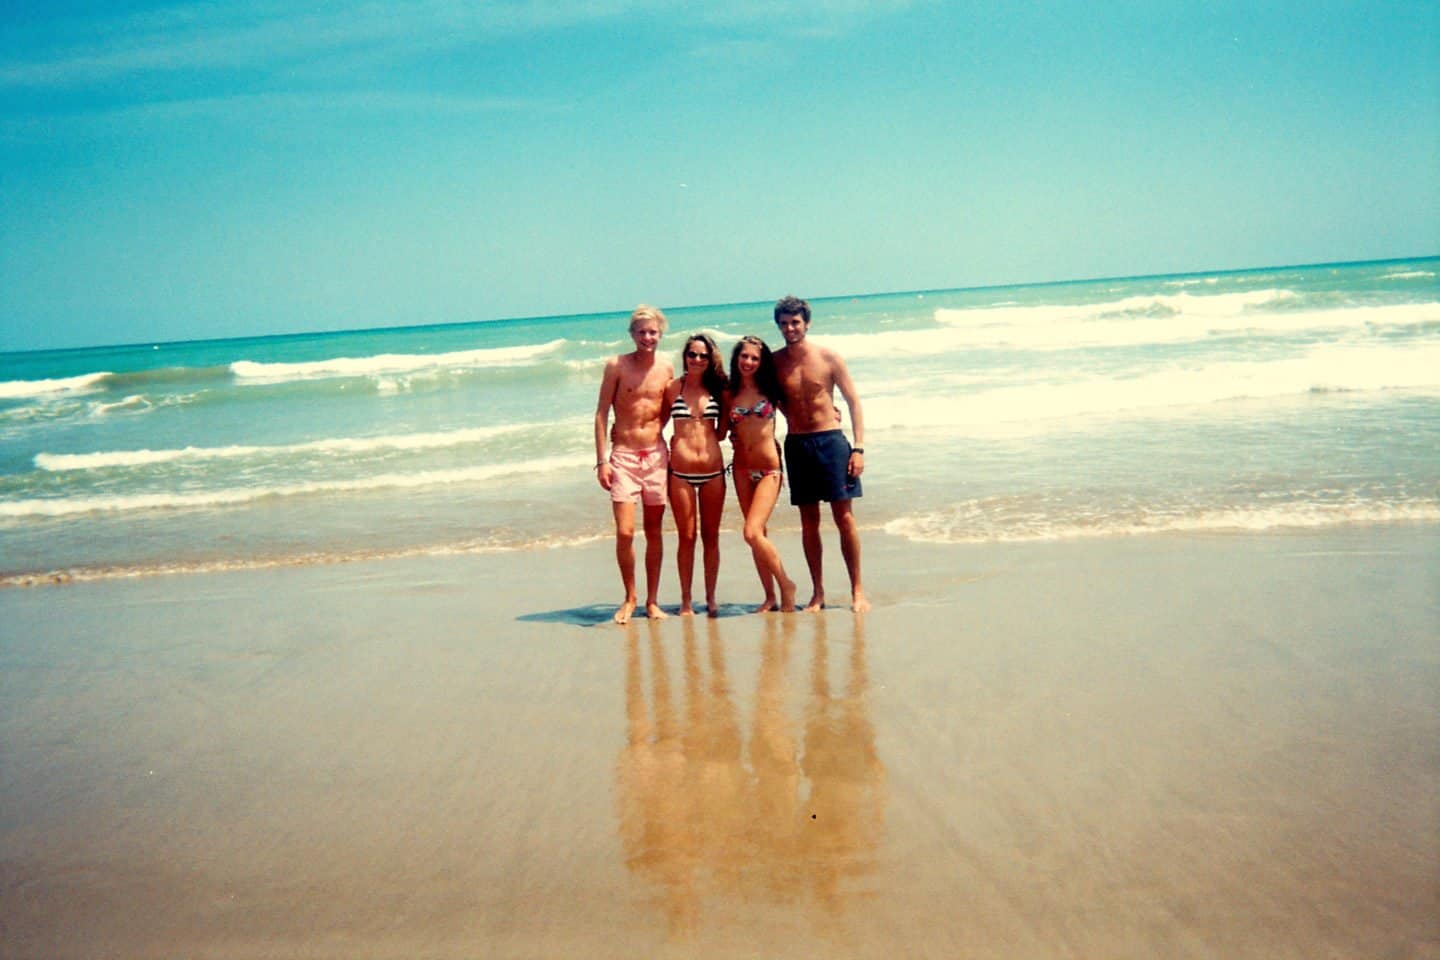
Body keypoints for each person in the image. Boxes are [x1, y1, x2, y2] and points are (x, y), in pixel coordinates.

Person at [771, 295, 869, 613]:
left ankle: (857, 590)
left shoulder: (828, 358)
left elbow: (853, 402)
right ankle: (817, 592)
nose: (790, 328)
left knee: (844, 518)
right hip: (798, 445)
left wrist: (858, 448)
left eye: (795, 322)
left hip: (831, 442)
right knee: (809, 522)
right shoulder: (774, 362)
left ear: (807, 323)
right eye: (784, 323)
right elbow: (761, 403)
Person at [595, 305, 674, 624]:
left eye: (653, 331)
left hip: (655, 455)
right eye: (641, 332)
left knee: (654, 532)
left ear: (660, 333)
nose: (647, 337)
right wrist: (602, 460)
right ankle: (630, 597)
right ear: (632, 334)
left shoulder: (667, 368)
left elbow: (668, 408)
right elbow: (601, 414)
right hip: (623, 457)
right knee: (625, 532)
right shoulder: (617, 365)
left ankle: (653, 601)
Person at [723, 335, 797, 613]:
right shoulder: (729, 393)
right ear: (736, 358)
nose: (749, 362)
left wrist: (831, 412)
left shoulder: (771, 389)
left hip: (769, 469)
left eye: (755, 358)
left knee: (751, 532)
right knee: (759, 534)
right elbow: (718, 430)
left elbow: (796, 412)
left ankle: (786, 584)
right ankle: (769, 596)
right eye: (744, 356)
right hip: (741, 469)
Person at [663, 333, 727, 617]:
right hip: (680, 473)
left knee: (711, 536)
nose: (698, 359)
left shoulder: (719, 389)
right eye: (693, 354)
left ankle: (711, 597)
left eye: (703, 355)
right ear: (685, 357)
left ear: (710, 358)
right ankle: (686, 600)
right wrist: (619, 431)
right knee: (686, 537)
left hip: (713, 471)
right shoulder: (672, 388)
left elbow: (726, 428)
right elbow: (653, 422)